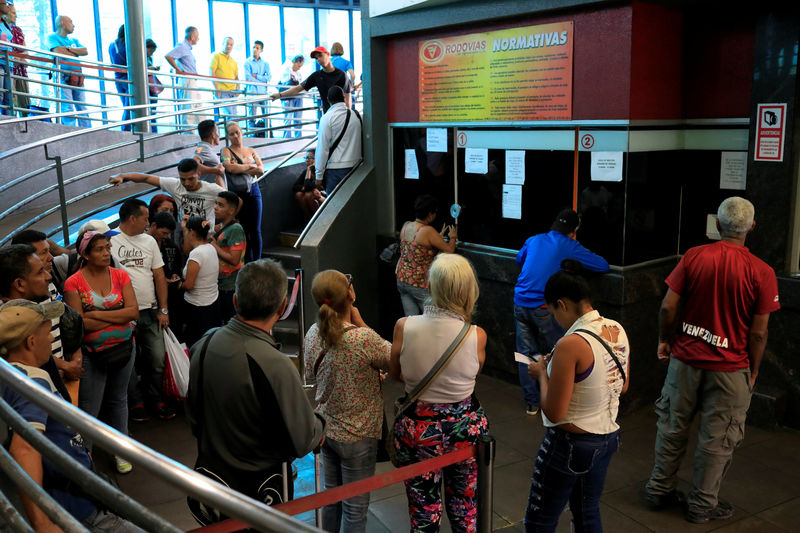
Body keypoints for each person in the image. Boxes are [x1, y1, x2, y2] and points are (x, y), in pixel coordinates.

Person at [644, 197, 779, 524]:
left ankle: (658, 491)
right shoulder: (763, 272)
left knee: (672, 427)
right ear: (751, 227)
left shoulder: (693, 257)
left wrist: (665, 339)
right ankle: (701, 506)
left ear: (717, 225)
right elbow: (758, 334)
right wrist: (754, 370)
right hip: (731, 369)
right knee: (717, 439)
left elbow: (667, 307)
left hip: (685, 361)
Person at [185, 259, 325, 507]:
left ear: (235, 300)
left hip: (212, 485)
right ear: (282, 307)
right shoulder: (276, 364)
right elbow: (304, 439)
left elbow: (193, 414)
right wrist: (321, 424)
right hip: (260, 491)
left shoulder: (204, 344)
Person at [0, 299, 143, 532]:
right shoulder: (32, 381)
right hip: (74, 505)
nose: (51, 339)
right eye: (47, 334)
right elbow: (24, 448)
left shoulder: (8, 373)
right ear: (31, 342)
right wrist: (43, 523)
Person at [523, 261, 630, 532]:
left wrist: (542, 375)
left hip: (570, 443)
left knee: (540, 519)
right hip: (606, 439)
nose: (556, 322)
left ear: (562, 304)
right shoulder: (616, 328)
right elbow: (623, 385)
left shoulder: (569, 344)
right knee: (586, 511)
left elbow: (554, 413)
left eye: (553, 313)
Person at [389, 253, 489, 533]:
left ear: (430, 287)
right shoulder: (476, 335)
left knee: (423, 511)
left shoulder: (404, 327)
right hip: (465, 432)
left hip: (417, 432)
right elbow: (473, 374)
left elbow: (396, 374)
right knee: (465, 510)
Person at [304, 270, 390, 533]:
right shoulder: (363, 338)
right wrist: (361, 321)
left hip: (326, 430)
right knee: (355, 509)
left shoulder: (312, 333)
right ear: (350, 295)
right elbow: (395, 358)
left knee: (331, 500)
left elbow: (312, 374)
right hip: (359, 436)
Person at [514, 208, 609, 416]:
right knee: (559, 352)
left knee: (525, 354)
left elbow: (519, 261)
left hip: (520, 303)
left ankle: (532, 403)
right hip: (544, 307)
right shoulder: (570, 245)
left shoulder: (534, 240)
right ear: (574, 230)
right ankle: (561, 399)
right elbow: (602, 265)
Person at [63, 231, 138, 474]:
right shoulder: (73, 283)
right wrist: (116, 318)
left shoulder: (120, 275)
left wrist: (96, 315)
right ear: (85, 254)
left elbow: (133, 313)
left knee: (119, 400)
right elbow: (80, 325)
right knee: (89, 407)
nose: (106, 253)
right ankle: (86, 455)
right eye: (99, 249)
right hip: (92, 355)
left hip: (125, 349)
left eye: (107, 247)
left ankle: (121, 450)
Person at [110, 199, 173, 424]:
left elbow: (159, 276)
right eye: (146, 218)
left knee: (156, 359)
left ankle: (154, 398)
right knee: (128, 360)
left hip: (151, 311)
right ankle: (135, 402)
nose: (149, 222)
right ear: (132, 218)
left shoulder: (149, 241)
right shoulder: (109, 240)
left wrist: (163, 309)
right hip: (124, 313)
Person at [9, 231, 84, 404]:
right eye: (43, 253)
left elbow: (66, 323)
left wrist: (75, 360)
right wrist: (63, 366)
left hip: (66, 374)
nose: (51, 258)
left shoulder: (47, 284)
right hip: (46, 377)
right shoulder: (12, 311)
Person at [110, 158, 225, 229]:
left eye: (191, 179)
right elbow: (146, 178)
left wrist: (224, 225)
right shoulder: (175, 185)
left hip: (206, 237)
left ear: (199, 174)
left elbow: (234, 201)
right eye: (183, 179)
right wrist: (123, 176)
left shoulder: (212, 189)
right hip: (184, 235)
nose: (186, 183)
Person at [395, 194, 457, 317]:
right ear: (430, 214)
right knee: (433, 319)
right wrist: (453, 237)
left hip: (402, 279)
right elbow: (449, 251)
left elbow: (417, 245)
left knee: (411, 319)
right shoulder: (428, 230)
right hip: (419, 284)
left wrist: (437, 237)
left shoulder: (406, 225)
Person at [221, 121, 264, 261]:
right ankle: (247, 261)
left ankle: (257, 261)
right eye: (231, 134)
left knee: (255, 229)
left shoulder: (251, 150)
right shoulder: (226, 151)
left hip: (254, 190)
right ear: (228, 136)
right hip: (238, 193)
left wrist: (240, 166)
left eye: (237, 132)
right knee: (244, 229)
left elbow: (261, 169)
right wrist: (249, 166)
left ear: (242, 132)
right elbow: (229, 168)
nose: (235, 136)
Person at [271, 46, 353, 113]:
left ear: (328, 54)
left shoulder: (342, 75)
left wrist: (347, 117)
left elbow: (347, 97)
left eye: (320, 56)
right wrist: (279, 95)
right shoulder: (317, 76)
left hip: (341, 114)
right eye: (316, 58)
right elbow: (298, 89)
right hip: (327, 115)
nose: (318, 60)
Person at [178, 216, 220, 347]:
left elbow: (189, 285)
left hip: (197, 308)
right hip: (213, 303)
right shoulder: (211, 248)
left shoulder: (196, 254)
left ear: (192, 232)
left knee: (195, 345)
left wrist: (178, 285)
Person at [316, 86, 362, 195]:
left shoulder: (327, 118)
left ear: (328, 100)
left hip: (335, 170)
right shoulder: (356, 115)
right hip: (356, 167)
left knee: (333, 206)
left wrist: (319, 176)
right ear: (343, 98)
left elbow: (323, 148)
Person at [46, 15, 91, 127]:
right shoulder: (52, 37)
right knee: (68, 106)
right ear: (62, 23)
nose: (73, 25)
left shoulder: (74, 40)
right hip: (63, 76)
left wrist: (68, 49)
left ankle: (87, 129)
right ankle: (70, 130)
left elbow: (85, 51)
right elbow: (58, 51)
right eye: (70, 22)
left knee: (82, 106)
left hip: (78, 76)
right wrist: (75, 52)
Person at [147, 211, 185, 340]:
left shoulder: (171, 245)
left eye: (168, 234)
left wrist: (175, 276)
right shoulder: (142, 245)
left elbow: (177, 266)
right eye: (163, 233)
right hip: (150, 301)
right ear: (153, 226)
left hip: (171, 300)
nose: (166, 236)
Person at [211, 191, 246, 323]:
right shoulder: (222, 227)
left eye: (220, 205)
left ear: (231, 210)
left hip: (230, 287)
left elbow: (234, 259)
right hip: (221, 285)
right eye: (216, 203)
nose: (215, 207)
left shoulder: (236, 230)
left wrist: (215, 246)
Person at [165, 26, 201, 126]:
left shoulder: (187, 49)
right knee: (188, 109)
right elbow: (168, 56)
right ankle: (189, 134)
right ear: (192, 36)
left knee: (198, 108)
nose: (198, 38)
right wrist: (178, 69)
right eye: (197, 36)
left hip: (192, 81)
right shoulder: (182, 46)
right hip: (187, 80)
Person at [2, 3, 30, 115]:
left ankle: (26, 125)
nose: (16, 16)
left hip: (20, 69)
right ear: (5, 14)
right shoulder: (3, 29)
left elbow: (25, 51)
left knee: (25, 101)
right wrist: (16, 57)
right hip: (7, 65)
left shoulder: (18, 30)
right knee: (9, 98)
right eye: (13, 13)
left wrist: (17, 57)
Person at [108, 25, 133, 130]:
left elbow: (112, 62)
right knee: (130, 108)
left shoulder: (112, 45)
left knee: (127, 106)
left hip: (117, 78)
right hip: (129, 78)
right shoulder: (128, 45)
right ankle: (125, 130)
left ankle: (127, 130)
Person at [210, 36, 238, 117]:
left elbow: (236, 77)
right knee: (229, 115)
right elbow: (212, 73)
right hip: (222, 91)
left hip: (233, 92)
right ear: (223, 44)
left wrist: (238, 89)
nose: (229, 46)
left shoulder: (233, 61)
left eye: (231, 44)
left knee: (234, 115)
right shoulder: (216, 56)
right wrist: (216, 89)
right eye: (227, 44)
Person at [293, 149, 325, 219]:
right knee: (299, 194)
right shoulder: (307, 171)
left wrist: (309, 169)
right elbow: (295, 186)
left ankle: (316, 219)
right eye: (306, 157)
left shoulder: (321, 170)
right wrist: (305, 188)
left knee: (308, 195)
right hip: (315, 195)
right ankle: (308, 218)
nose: (307, 160)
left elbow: (308, 186)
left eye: (309, 158)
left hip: (325, 196)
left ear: (317, 159)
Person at [244, 40, 270, 127]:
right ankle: (251, 135)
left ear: (261, 50)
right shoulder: (247, 63)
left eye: (257, 48)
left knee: (266, 115)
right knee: (252, 117)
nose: (255, 49)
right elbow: (248, 77)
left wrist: (256, 76)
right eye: (254, 47)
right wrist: (262, 79)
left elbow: (269, 77)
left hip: (263, 93)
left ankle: (267, 135)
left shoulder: (265, 63)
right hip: (252, 93)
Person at [195, 119, 226, 187]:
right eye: (218, 132)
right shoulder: (203, 148)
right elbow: (194, 164)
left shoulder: (203, 147)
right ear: (213, 135)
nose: (219, 135)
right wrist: (216, 170)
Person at [280, 55, 305, 138]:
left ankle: (298, 137)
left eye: (301, 66)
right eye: (298, 66)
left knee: (298, 118)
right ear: (294, 62)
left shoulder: (299, 73)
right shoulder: (286, 70)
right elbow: (284, 82)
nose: (299, 68)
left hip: (298, 96)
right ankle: (287, 138)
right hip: (288, 97)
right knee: (288, 118)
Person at [146, 38, 160, 132]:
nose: (151, 53)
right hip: (147, 86)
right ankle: (151, 130)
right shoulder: (141, 57)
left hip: (152, 86)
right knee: (149, 109)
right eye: (150, 50)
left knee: (153, 110)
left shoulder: (149, 58)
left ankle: (154, 130)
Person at [0, 0, 11, 116]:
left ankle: (9, 123)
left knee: (9, 97)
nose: (8, 6)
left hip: (9, 62)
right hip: (0, 61)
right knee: (0, 95)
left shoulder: (5, 23)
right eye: (5, 4)